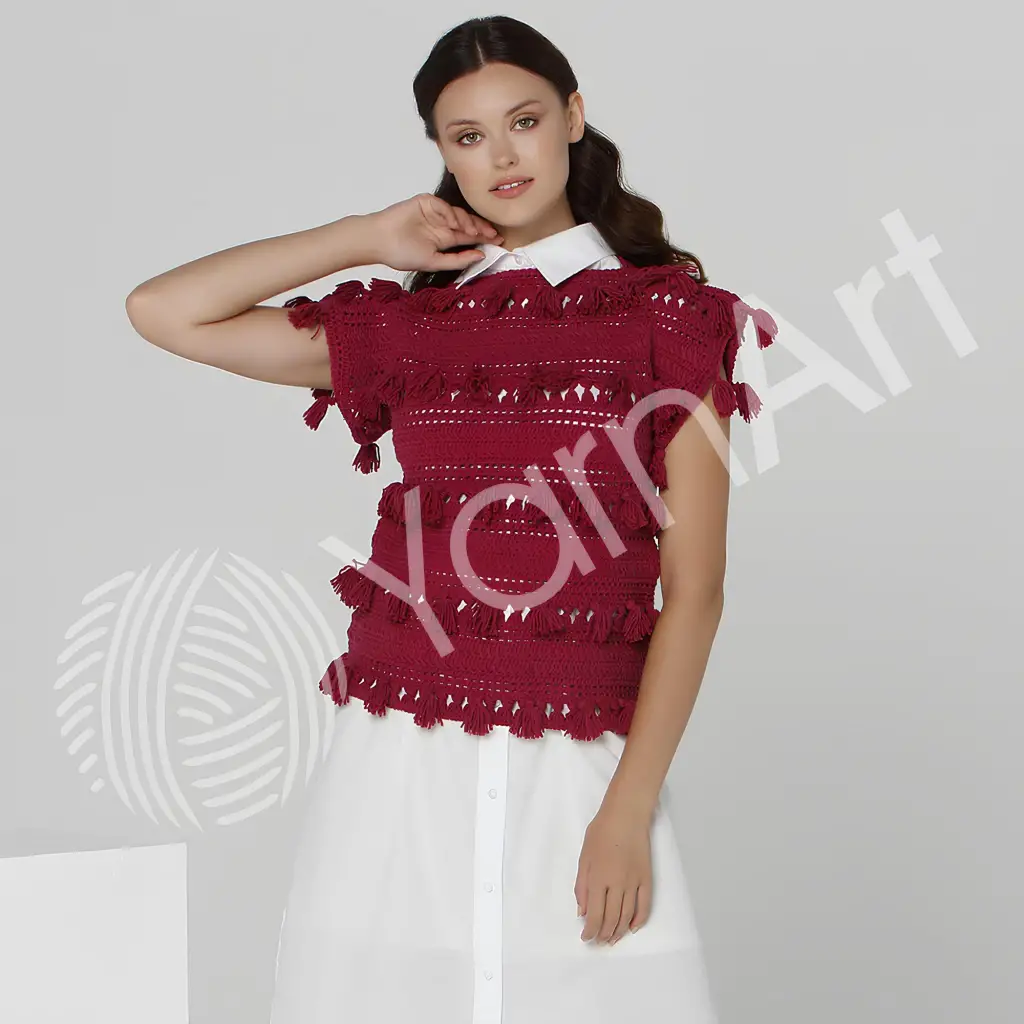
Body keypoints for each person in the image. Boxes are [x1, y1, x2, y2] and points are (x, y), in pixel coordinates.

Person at [125, 15, 776, 1024]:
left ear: (574, 117)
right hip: (397, 764)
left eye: (524, 121)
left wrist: (628, 808)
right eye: (468, 136)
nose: (502, 155)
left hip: (580, 763)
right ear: (441, 153)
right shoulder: (408, 329)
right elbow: (165, 311)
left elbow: (696, 592)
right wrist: (365, 237)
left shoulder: (672, 322)